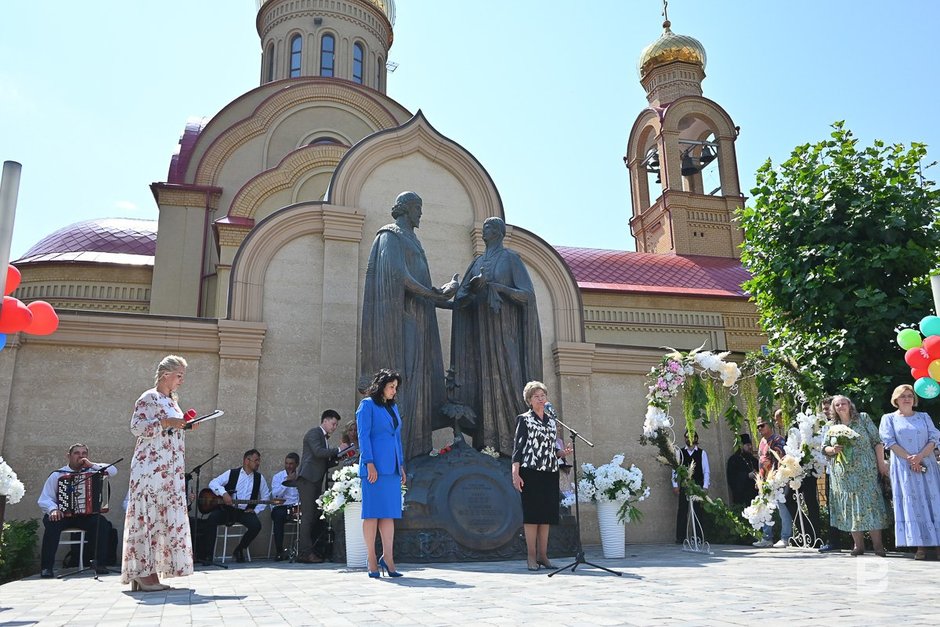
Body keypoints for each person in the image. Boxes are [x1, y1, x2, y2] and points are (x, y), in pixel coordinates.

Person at [359, 191, 457, 460]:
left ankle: (419, 449)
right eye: (417, 208)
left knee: (421, 382)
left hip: (420, 321)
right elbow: (398, 276)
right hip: (402, 325)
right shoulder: (390, 235)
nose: (420, 213)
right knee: (407, 381)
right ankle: (403, 452)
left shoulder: (413, 239)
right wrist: (436, 294)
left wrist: (447, 298)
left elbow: (422, 288)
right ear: (405, 209)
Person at [449, 216, 543, 454]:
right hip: (481, 333)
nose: (485, 229)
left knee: (509, 377)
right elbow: (462, 297)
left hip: (506, 330)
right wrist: (468, 289)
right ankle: (487, 443)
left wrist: (499, 288)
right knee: (484, 382)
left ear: (500, 232)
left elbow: (526, 296)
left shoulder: (511, 259)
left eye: (491, 226)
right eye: (485, 226)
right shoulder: (478, 261)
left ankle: (515, 441)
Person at [121, 355, 193, 592]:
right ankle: (142, 573)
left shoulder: (172, 401)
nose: (182, 380)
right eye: (179, 375)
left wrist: (186, 423)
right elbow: (136, 427)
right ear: (165, 374)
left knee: (161, 518)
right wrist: (165, 423)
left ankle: (152, 572)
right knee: (147, 516)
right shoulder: (149, 397)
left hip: (170, 470)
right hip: (150, 468)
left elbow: (171, 427)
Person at [511, 381, 571, 571]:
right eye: (536, 396)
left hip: (549, 471)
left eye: (543, 396)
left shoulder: (552, 421)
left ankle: (543, 556)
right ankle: (530, 556)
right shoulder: (524, 419)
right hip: (530, 472)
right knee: (532, 516)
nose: (541, 399)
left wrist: (562, 453)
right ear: (529, 400)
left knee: (546, 516)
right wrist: (515, 473)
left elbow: (552, 448)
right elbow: (517, 449)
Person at [37, 443, 117, 578]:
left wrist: (91, 464)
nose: (81, 456)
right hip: (62, 515)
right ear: (68, 456)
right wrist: (53, 510)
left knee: (101, 523)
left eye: (84, 453)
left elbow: (113, 471)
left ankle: (99, 564)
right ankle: (46, 567)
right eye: (77, 453)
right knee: (52, 523)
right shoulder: (57, 475)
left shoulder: (92, 472)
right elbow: (45, 498)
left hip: (84, 516)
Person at [821, 395, 888, 556]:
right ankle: (858, 545)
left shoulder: (863, 419)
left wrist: (881, 463)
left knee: (871, 504)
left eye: (843, 403)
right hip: (843, 474)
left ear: (850, 405)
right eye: (837, 405)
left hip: (866, 471)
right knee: (850, 507)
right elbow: (824, 449)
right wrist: (833, 449)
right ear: (833, 409)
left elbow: (877, 442)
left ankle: (878, 545)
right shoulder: (831, 425)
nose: (841, 406)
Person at [879, 384, 940, 560]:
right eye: (903, 395)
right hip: (904, 468)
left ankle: (938, 546)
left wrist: (920, 456)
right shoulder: (888, 418)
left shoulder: (924, 416)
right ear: (896, 399)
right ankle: (920, 546)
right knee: (913, 504)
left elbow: (934, 438)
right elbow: (888, 441)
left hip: (926, 465)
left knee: (933, 502)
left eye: (910, 395)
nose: (907, 398)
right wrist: (910, 458)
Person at [358, 369, 407, 578]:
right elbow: (363, 436)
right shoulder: (367, 405)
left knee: (389, 515)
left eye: (396, 387)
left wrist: (401, 465)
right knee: (371, 514)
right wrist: (369, 463)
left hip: (392, 468)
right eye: (391, 387)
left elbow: (396, 438)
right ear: (381, 386)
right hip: (374, 467)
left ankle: (388, 558)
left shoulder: (393, 407)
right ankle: (371, 559)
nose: (394, 391)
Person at [295, 410, 350, 564]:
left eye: (336, 425)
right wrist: (338, 450)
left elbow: (323, 460)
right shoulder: (314, 433)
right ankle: (305, 553)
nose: (334, 427)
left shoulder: (323, 437)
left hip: (315, 479)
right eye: (333, 424)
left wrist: (339, 456)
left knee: (313, 516)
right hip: (307, 479)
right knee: (307, 517)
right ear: (325, 420)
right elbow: (318, 452)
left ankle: (309, 551)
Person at [204, 449, 272, 563]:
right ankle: (208, 555)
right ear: (247, 460)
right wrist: (224, 494)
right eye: (256, 460)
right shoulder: (232, 473)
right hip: (228, 510)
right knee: (212, 519)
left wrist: (256, 510)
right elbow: (213, 483)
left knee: (256, 526)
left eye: (259, 461)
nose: (258, 463)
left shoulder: (259, 478)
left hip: (244, 512)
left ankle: (240, 549)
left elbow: (265, 496)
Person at [754, 417, 791, 548]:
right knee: (763, 508)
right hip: (765, 481)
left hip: (777, 480)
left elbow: (782, 459)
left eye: (762, 426)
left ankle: (785, 538)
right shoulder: (762, 442)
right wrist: (760, 479)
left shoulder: (778, 440)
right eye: (758, 426)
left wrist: (776, 476)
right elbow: (761, 461)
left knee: (782, 508)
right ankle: (767, 538)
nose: (759, 429)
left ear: (769, 425)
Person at [672, 432, 710, 544]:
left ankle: (699, 537)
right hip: (684, 485)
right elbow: (675, 469)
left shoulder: (702, 453)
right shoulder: (680, 452)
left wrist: (705, 486)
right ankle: (680, 538)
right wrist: (675, 485)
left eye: (691, 437)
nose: (689, 439)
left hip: (697, 485)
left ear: (696, 438)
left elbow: (706, 470)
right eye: (687, 437)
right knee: (683, 510)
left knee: (698, 511)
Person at [270, 452, 301, 561]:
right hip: (282, 506)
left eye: (291, 464)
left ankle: (306, 550)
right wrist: (287, 481)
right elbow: (276, 495)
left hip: (297, 506)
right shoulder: (278, 477)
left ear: (297, 464)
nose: (288, 466)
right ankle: (279, 551)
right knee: (278, 516)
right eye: (286, 463)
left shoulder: (301, 476)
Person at [726, 434, 758, 506]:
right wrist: (747, 476)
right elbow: (732, 478)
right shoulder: (734, 460)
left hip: (755, 496)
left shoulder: (754, 460)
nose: (750, 447)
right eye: (747, 445)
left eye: (750, 445)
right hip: (742, 498)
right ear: (741, 446)